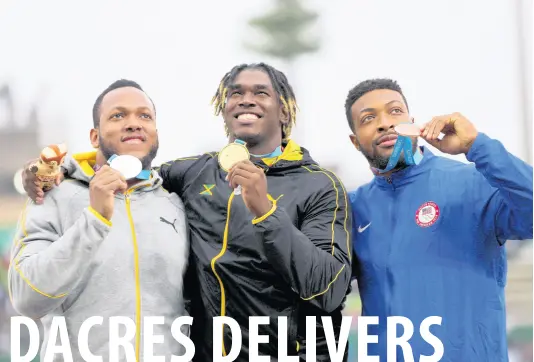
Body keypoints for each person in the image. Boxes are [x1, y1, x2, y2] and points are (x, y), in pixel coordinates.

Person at [23, 63, 353, 361]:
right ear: (225, 112)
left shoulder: (320, 185)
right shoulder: (195, 173)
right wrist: (55, 170)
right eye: (235, 93)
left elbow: (330, 290)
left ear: (284, 112)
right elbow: (134, 166)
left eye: (260, 92)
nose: (245, 99)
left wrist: (266, 212)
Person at [345, 78, 533, 361]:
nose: (385, 123)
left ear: (413, 122)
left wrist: (476, 145)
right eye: (369, 118)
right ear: (355, 140)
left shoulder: (474, 183)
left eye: (395, 111)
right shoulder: (352, 208)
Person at [10, 79, 190, 361]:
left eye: (145, 115)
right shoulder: (53, 195)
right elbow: (26, 297)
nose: (133, 123)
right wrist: (95, 218)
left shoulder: (176, 203)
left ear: (155, 132)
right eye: (118, 115)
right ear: (94, 137)